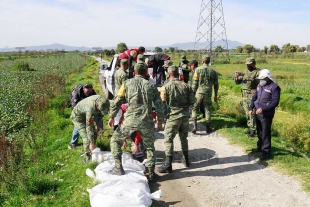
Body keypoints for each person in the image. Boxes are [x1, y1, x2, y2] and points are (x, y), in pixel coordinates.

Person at [108, 63, 165, 182]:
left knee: (115, 140)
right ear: (145, 73)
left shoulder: (126, 84)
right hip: (146, 121)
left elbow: (117, 100)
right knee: (150, 147)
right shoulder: (151, 86)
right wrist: (160, 120)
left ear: (134, 72)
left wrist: (112, 116)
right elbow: (159, 104)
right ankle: (150, 173)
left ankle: (118, 167)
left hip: (130, 121)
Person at [156, 65, 196, 173]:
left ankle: (168, 164)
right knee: (184, 138)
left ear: (168, 75)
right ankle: (186, 160)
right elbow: (193, 101)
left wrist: (161, 118)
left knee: (168, 139)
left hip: (173, 117)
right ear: (178, 74)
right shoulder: (186, 86)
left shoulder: (165, 87)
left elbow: (161, 103)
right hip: (185, 117)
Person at [249, 69, 280, 160]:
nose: (260, 80)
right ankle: (260, 147)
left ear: (267, 78)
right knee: (260, 131)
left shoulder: (274, 87)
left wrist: (263, 109)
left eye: (262, 78)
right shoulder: (260, 85)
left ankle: (266, 152)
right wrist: (251, 108)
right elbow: (254, 97)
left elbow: (275, 102)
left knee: (266, 132)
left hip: (267, 114)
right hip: (258, 112)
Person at [70, 95, 109, 162]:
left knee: (94, 134)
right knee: (87, 138)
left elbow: (100, 115)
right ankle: (87, 158)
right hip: (78, 118)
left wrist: (98, 126)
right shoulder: (90, 109)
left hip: (84, 114)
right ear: (97, 106)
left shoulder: (104, 101)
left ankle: (92, 150)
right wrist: (91, 142)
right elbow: (89, 127)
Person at [68, 84, 102, 149]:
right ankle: (73, 143)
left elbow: (96, 102)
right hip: (78, 109)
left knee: (98, 117)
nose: (89, 93)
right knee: (77, 127)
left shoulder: (92, 93)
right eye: (87, 92)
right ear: (84, 90)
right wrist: (83, 116)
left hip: (89, 107)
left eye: (90, 91)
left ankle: (98, 132)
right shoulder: (76, 94)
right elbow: (74, 108)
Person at [191, 55, 219, 134]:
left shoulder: (197, 70)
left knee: (194, 108)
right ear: (209, 61)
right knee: (208, 109)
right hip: (208, 93)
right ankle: (208, 127)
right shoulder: (213, 71)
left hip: (199, 92)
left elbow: (195, 83)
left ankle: (195, 126)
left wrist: (192, 93)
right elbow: (216, 85)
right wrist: (215, 95)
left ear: (202, 61)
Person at [235, 57, 260, 137]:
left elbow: (260, 82)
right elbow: (238, 82)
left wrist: (247, 78)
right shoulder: (245, 72)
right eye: (247, 64)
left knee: (252, 113)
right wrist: (236, 77)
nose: (248, 66)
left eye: (250, 64)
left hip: (252, 96)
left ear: (254, 64)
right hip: (245, 96)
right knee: (247, 113)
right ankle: (249, 128)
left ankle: (253, 130)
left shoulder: (258, 72)